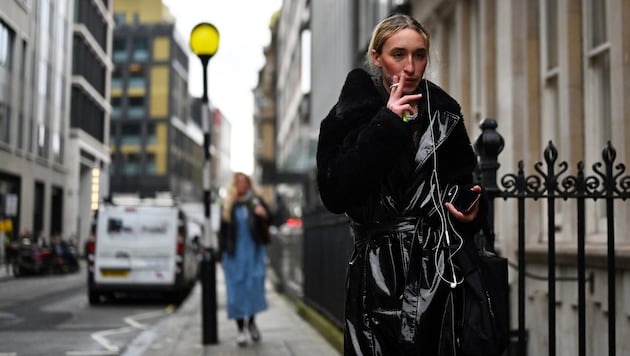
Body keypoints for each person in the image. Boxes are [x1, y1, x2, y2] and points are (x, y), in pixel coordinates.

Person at [316, 14, 487, 355]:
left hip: (436, 268)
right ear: (377, 57)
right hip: (375, 274)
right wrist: (387, 124)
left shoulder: (444, 112)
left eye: (419, 55)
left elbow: (461, 182)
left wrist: (469, 210)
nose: (410, 66)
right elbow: (335, 192)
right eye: (399, 54)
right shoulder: (348, 116)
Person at [218, 172, 271, 347]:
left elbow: (271, 218)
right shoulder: (229, 205)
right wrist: (221, 256)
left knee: (254, 288)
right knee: (236, 292)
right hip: (234, 255)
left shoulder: (255, 201)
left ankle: (252, 323)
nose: (242, 185)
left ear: (248, 184)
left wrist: (263, 213)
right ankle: (241, 329)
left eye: (245, 182)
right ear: (235, 185)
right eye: (239, 182)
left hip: (254, 252)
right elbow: (223, 232)